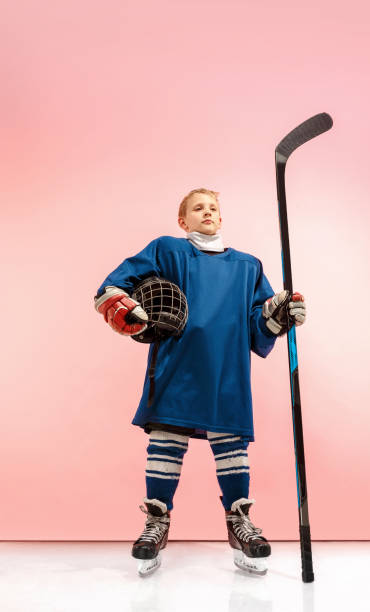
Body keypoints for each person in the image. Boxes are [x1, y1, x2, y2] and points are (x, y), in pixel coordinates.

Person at [94, 188, 306, 576]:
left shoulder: (248, 266)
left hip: (227, 370)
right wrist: (120, 303)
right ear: (183, 220)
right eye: (197, 207)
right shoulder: (168, 250)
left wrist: (280, 312)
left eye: (213, 208)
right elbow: (113, 286)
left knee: (231, 445)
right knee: (166, 441)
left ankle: (239, 523)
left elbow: (257, 325)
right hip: (178, 367)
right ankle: (156, 522)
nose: (207, 212)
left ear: (221, 219)